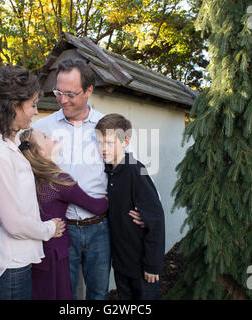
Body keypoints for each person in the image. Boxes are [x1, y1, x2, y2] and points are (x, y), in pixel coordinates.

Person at [32, 59, 145, 300]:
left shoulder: (108, 126)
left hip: (100, 229)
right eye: (58, 92)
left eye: (71, 94)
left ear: (89, 91)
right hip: (60, 231)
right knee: (64, 294)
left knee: (98, 293)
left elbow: (130, 169)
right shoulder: (43, 127)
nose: (63, 100)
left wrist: (143, 208)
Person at [0, 65, 65, 300]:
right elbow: (13, 223)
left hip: (17, 260)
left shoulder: (6, 147)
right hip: (9, 267)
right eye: (32, 104)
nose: (36, 111)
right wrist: (49, 229)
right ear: (14, 106)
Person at [18, 128, 108, 299]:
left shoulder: (28, 177)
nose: (52, 136)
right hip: (54, 254)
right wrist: (108, 197)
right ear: (40, 151)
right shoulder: (58, 181)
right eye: (45, 136)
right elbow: (97, 207)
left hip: (35, 251)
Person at [95, 113, 165, 300]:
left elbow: (156, 219)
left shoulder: (135, 169)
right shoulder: (109, 171)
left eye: (109, 143)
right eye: (100, 143)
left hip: (142, 268)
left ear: (125, 141)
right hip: (121, 265)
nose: (103, 148)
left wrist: (152, 265)